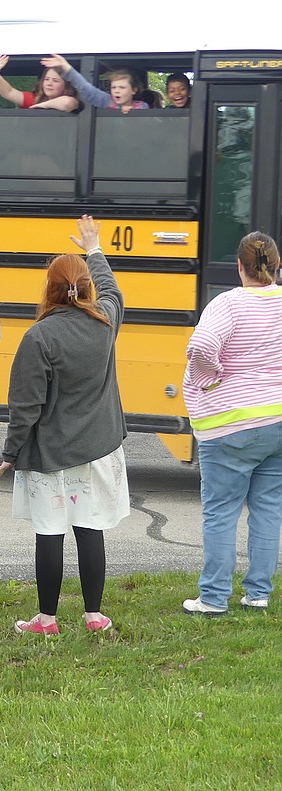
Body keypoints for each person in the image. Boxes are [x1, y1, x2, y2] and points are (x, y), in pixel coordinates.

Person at [0, 215, 128, 636]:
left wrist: (10, 455)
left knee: (49, 533)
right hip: (97, 450)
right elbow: (112, 291)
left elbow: (25, 408)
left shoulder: (39, 337)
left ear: (49, 291)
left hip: (49, 454)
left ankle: (47, 620)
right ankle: (93, 616)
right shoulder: (106, 322)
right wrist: (95, 248)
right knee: (90, 529)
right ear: (87, 288)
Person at [182, 232, 282, 616]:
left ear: (239, 266)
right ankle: (258, 593)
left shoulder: (228, 304)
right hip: (277, 422)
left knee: (221, 512)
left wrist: (209, 378)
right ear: (275, 267)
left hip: (231, 425)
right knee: (268, 509)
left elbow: (202, 347)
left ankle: (213, 597)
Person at [40, 55, 148, 113]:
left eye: (122, 87)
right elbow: (86, 89)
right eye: (113, 87)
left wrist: (133, 113)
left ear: (134, 90)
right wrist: (67, 68)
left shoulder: (142, 106)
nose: (116, 90)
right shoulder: (108, 101)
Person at [0, 55, 80, 111]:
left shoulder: (74, 100)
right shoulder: (34, 99)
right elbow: (8, 92)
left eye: (55, 81)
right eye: (46, 79)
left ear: (66, 85)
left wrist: (42, 106)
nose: (49, 83)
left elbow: (67, 103)